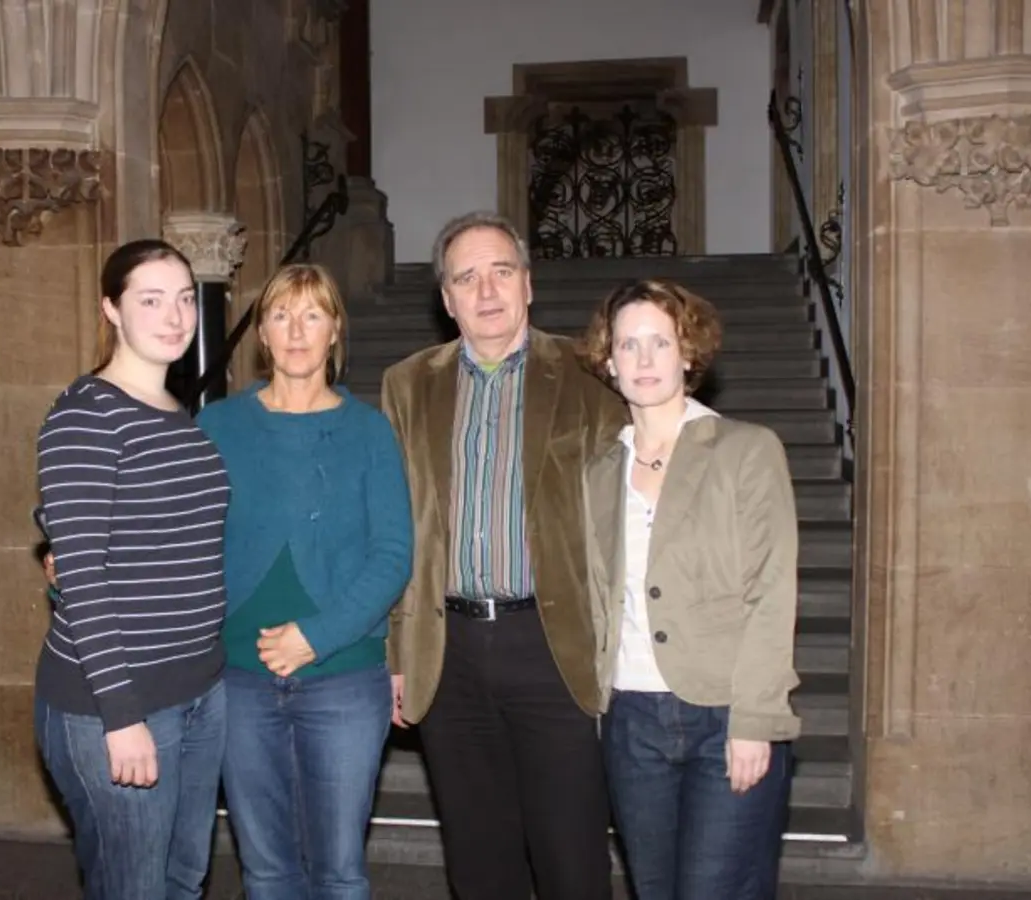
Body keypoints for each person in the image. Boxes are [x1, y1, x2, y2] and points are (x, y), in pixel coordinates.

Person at [380, 211, 626, 900]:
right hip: (447, 648)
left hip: (550, 645)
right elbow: (402, 527)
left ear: (529, 284)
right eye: (467, 277)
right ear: (446, 298)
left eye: (502, 271)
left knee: (571, 856)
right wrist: (397, 652)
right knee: (478, 858)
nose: (486, 290)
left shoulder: (588, 377)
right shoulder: (407, 384)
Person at [194, 263, 413, 899]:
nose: (296, 331)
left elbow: (393, 553)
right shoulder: (218, 428)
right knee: (265, 869)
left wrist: (316, 637)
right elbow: (181, 535)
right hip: (237, 680)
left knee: (339, 870)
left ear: (335, 330)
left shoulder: (369, 432)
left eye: (312, 315)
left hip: (342, 677)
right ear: (262, 331)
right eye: (282, 315)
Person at [580, 279, 801, 899]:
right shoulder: (600, 471)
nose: (644, 359)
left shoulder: (745, 451)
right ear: (608, 361)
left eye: (660, 342)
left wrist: (756, 720)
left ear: (688, 353)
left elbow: (771, 591)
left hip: (723, 714)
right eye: (628, 345)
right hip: (631, 720)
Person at [33, 238, 231, 900]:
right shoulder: (88, 414)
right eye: (150, 299)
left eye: (183, 299)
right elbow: (83, 576)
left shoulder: (183, 416)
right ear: (112, 309)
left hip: (201, 691)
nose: (174, 316)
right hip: (115, 704)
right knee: (135, 889)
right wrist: (121, 717)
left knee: (182, 878)